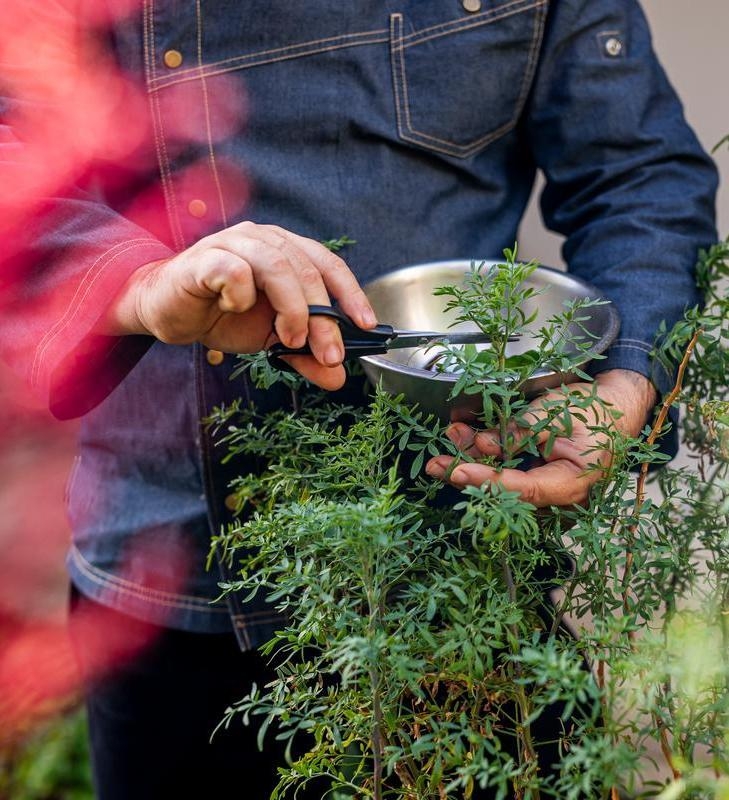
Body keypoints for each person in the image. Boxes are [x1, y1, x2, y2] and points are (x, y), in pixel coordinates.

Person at [0, 0, 718, 797]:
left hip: (468, 560)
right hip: (169, 580)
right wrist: (134, 283)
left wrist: (625, 379)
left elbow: (639, 175)